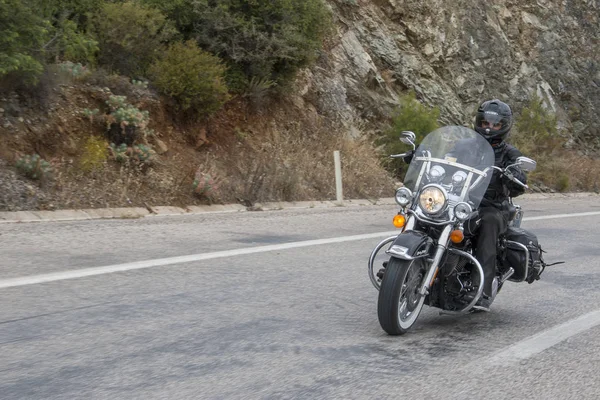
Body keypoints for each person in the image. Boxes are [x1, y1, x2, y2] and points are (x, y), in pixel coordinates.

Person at [467, 99, 528, 310]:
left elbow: (521, 176)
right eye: (485, 122)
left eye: (495, 124)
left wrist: (514, 176)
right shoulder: (465, 145)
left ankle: (482, 289)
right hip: (461, 202)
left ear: (504, 126)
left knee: (488, 222)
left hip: (492, 206)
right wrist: (419, 155)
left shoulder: (510, 153)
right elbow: (445, 157)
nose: (488, 128)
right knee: (425, 209)